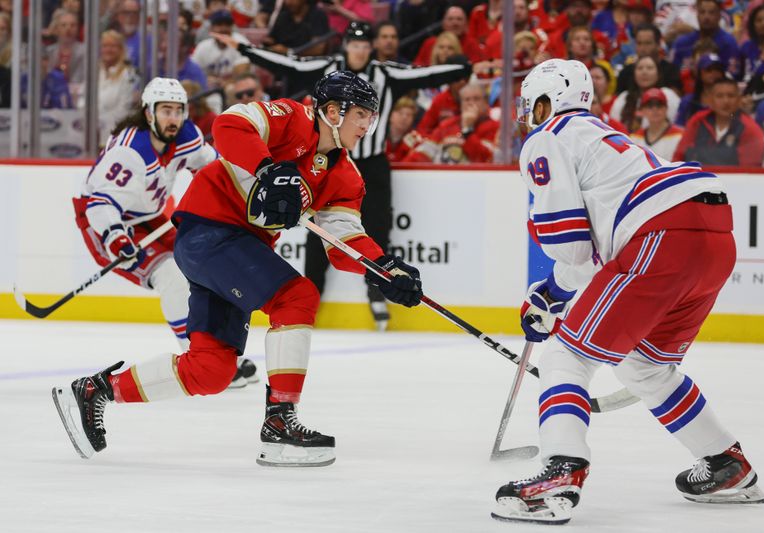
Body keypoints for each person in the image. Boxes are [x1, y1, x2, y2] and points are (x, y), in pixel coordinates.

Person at [52, 71, 424, 467]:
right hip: (208, 233)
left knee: (211, 371)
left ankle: (97, 391)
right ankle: (280, 422)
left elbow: (342, 240)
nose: (369, 125)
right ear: (332, 111)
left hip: (234, 250)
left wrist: (381, 268)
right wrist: (266, 168)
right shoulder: (291, 118)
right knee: (297, 296)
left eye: (372, 116)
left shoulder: (346, 176)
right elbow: (229, 124)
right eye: (362, 115)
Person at [492, 58, 764, 525]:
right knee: (647, 367)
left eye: (531, 104)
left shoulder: (548, 138)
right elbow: (594, 252)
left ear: (547, 102)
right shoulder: (606, 140)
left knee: (566, 357)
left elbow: (573, 251)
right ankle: (727, 465)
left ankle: (560, 472)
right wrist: (553, 293)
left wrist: (549, 295)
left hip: (662, 232)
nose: (527, 115)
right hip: (713, 233)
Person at [213, 20, 470, 330]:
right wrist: (244, 48)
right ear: (347, 45)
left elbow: (425, 74)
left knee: (375, 228)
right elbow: (288, 64)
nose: (359, 50)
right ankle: (310, 297)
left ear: (370, 48)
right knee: (315, 232)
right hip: (324, 160)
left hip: (370, 166)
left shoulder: (385, 73)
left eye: (364, 45)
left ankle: (377, 291)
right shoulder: (328, 70)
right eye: (354, 44)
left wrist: (465, 69)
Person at [71, 78, 217, 353]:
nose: (173, 119)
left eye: (178, 111)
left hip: (149, 215)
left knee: (201, 266)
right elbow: (100, 204)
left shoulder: (187, 136)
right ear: (149, 113)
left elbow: (213, 167)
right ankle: (196, 356)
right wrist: (116, 238)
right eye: (166, 111)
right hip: (108, 222)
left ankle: (215, 347)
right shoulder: (129, 151)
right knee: (171, 275)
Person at [674, 77, 764, 166]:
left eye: (731, 96)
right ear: (710, 100)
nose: (726, 101)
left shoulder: (750, 129)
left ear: (739, 99)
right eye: (719, 96)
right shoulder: (697, 121)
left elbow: (750, 172)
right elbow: (679, 157)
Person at [630, 87, 684, 160]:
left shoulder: (681, 135)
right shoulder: (634, 138)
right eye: (650, 106)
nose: (655, 109)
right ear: (643, 110)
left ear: (666, 108)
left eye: (659, 105)